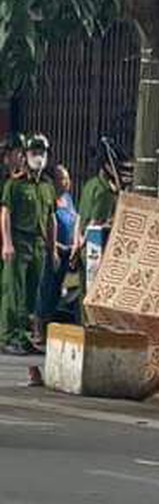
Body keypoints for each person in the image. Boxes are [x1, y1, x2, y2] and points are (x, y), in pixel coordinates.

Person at [0, 134, 57, 354]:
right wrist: (7, 243)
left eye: (42, 152)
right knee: (14, 292)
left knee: (32, 294)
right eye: (34, 152)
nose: (38, 157)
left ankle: (24, 335)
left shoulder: (47, 186)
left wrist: (52, 248)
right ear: (26, 155)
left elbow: (51, 218)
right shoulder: (15, 184)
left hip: (39, 245)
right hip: (19, 241)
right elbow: (5, 213)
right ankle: (8, 336)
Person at [37, 165, 78, 331]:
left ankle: (50, 325)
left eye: (67, 178)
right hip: (52, 251)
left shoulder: (67, 198)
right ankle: (39, 327)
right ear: (53, 182)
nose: (67, 182)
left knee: (57, 291)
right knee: (45, 291)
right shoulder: (48, 199)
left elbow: (75, 220)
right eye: (62, 178)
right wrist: (56, 246)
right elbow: (45, 227)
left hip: (68, 252)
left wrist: (74, 244)